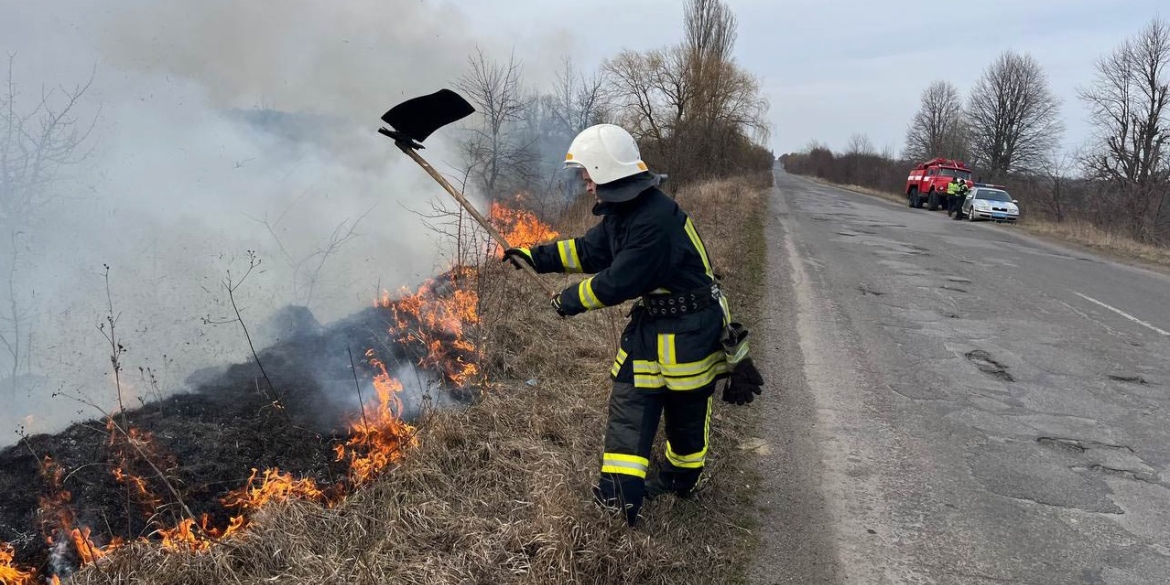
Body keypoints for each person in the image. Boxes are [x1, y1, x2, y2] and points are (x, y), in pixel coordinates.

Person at [502, 124, 765, 526]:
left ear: (605, 171)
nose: (586, 186)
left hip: (691, 331)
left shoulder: (654, 223)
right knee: (629, 407)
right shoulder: (625, 213)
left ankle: (681, 480)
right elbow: (589, 251)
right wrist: (534, 257)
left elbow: (619, 281)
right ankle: (618, 500)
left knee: (686, 415)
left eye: (587, 176)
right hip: (652, 328)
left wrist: (568, 300)